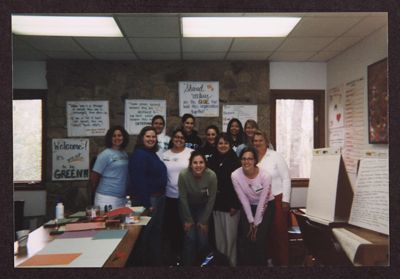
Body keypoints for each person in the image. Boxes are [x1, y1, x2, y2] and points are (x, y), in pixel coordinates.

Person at [127, 126, 167, 266]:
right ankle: (141, 266)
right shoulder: (139, 154)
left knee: (155, 234)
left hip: (158, 198)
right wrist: (147, 204)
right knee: (144, 236)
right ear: (141, 138)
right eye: (148, 136)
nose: (151, 139)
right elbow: (139, 181)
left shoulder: (151, 153)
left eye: (153, 137)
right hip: (148, 200)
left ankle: (155, 265)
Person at [253, 129, 291, 266]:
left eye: (260, 140)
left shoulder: (275, 156)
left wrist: (286, 200)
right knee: (265, 233)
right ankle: (269, 263)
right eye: (255, 141)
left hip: (278, 199)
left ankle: (283, 264)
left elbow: (286, 178)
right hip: (261, 201)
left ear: (266, 142)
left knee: (279, 233)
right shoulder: (252, 158)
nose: (258, 143)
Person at [231, 146, 275, 266]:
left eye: (250, 159)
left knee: (259, 237)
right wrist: (251, 221)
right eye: (244, 159)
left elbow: (262, 201)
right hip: (248, 206)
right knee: (248, 236)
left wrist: (256, 223)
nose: (246, 162)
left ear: (255, 160)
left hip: (266, 205)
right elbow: (243, 199)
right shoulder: (235, 175)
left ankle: (261, 267)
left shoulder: (265, 176)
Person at [178, 151, 217, 265]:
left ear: (205, 164)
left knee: (202, 237)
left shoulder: (211, 176)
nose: (198, 165)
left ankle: (203, 266)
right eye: (195, 163)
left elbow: (211, 200)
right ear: (190, 164)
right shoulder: (183, 175)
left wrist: (204, 221)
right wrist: (188, 220)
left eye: (201, 162)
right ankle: (188, 268)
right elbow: (183, 198)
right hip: (186, 207)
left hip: (203, 207)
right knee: (191, 237)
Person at [207, 133, 241, 266]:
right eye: (220, 143)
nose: (223, 146)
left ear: (230, 145)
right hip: (216, 205)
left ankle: (232, 266)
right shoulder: (212, 160)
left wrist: (235, 205)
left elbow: (240, 186)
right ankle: (221, 266)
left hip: (231, 207)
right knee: (219, 239)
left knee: (230, 239)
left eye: (226, 143)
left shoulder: (236, 161)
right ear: (216, 145)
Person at [161, 128, 193, 265]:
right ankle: (175, 258)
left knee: (188, 229)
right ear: (172, 139)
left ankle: (188, 258)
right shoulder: (165, 154)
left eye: (182, 137)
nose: (179, 139)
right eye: (176, 137)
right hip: (170, 197)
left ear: (185, 140)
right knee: (173, 229)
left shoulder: (191, 153)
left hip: (187, 198)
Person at [91, 125, 129, 209]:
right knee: (107, 222)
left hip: (122, 198)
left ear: (124, 137)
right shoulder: (105, 154)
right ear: (110, 138)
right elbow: (94, 176)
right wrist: (94, 192)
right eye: (114, 136)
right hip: (106, 197)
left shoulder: (124, 153)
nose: (117, 138)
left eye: (119, 135)